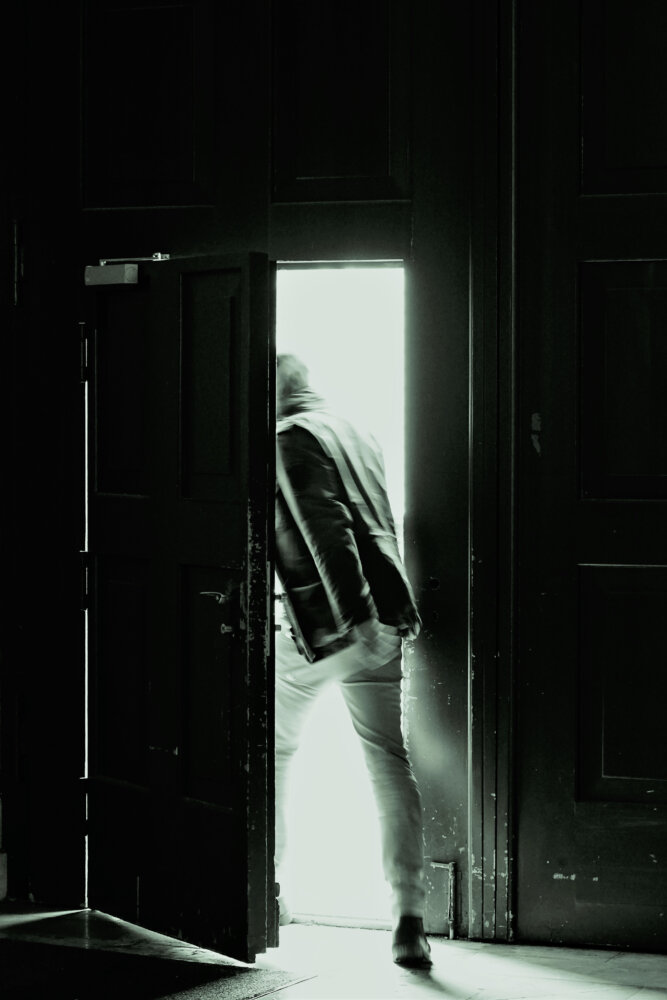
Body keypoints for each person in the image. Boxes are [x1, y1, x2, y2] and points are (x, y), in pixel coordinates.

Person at [274, 353, 432, 967]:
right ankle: (409, 919)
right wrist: (379, 619)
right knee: (387, 762)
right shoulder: (356, 432)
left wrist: (354, 619)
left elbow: (325, 530)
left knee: (274, 752)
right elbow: (376, 525)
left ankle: (265, 888)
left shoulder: (291, 438)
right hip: (386, 617)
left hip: (325, 626)